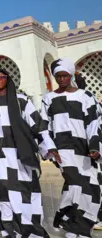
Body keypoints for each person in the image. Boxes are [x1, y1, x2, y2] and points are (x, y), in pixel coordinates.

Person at [0, 68, 60, 237]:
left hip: (21, 150)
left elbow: (38, 125)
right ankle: (10, 228)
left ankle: (30, 227)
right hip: (0, 153)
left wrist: (49, 147)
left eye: (2, 77)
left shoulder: (21, 100)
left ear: (8, 79)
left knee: (26, 188)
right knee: (4, 189)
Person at [40, 58, 101, 237]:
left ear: (71, 75)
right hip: (63, 150)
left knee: (90, 186)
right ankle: (75, 226)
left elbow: (94, 122)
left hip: (84, 148)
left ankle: (75, 224)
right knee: (76, 184)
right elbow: (44, 126)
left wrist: (95, 146)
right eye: (58, 76)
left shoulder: (85, 96)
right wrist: (51, 149)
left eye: (65, 75)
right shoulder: (49, 98)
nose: (61, 79)